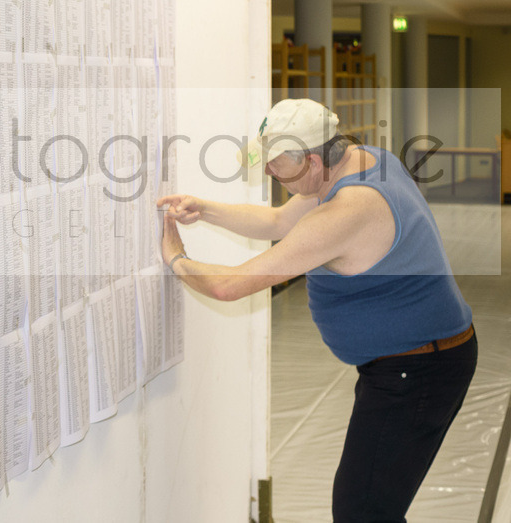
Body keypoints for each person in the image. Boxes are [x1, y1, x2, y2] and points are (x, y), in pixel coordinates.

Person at [158, 98, 476, 522]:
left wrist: (177, 258)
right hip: (419, 359)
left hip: (418, 370)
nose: (270, 173)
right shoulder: (363, 161)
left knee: (363, 511)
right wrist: (205, 209)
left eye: (278, 166)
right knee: (368, 506)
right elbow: (276, 223)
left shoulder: (348, 210)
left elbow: (228, 285)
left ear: (311, 160)